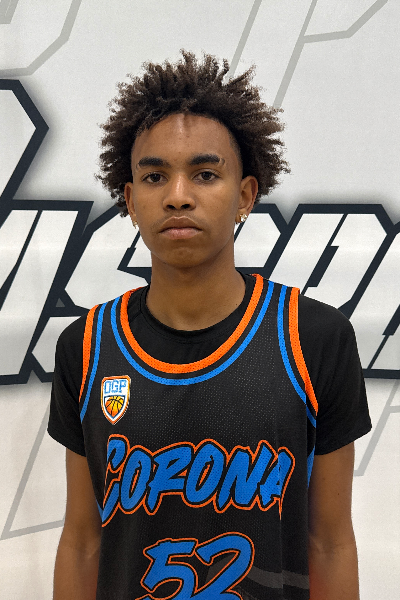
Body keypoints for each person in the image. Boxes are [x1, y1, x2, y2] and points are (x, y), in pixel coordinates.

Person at [48, 51, 371, 600]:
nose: (178, 195)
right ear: (131, 200)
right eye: (154, 176)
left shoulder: (314, 337)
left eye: (204, 174)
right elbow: (82, 542)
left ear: (245, 194)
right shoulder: (87, 345)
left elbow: (329, 543)